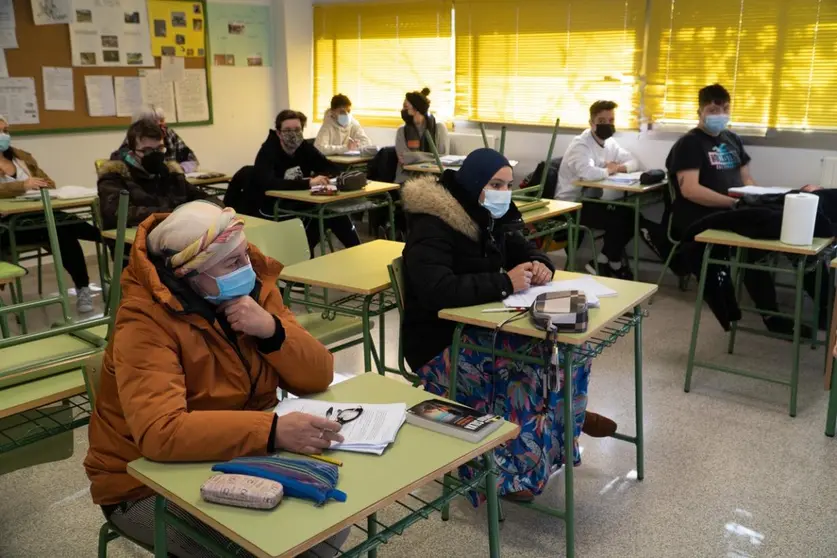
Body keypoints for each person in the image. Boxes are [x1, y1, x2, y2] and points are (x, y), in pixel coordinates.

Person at [83, 201, 349, 557]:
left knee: (330, 523)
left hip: (235, 452)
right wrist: (271, 430)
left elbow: (319, 375)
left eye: (245, 255)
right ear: (189, 275)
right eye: (233, 262)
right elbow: (160, 433)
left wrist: (272, 331)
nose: (249, 269)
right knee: (263, 550)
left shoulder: (254, 292)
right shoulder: (144, 320)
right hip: (141, 484)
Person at [401, 148, 616, 503]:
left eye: (508, 184)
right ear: (472, 185)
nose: (504, 191)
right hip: (440, 343)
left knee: (570, 352)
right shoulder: (433, 225)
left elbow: (524, 249)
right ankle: (512, 474)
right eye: (495, 184)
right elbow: (436, 290)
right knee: (525, 370)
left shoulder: (491, 214)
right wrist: (504, 282)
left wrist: (539, 263)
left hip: (484, 324)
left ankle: (563, 423)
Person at [666, 83, 816, 335]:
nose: (720, 114)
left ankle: (825, 307)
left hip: (734, 208)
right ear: (700, 111)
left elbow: (746, 179)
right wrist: (735, 204)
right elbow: (690, 190)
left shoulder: (731, 139)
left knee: (791, 221)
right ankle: (771, 315)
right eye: (713, 109)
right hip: (702, 216)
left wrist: (758, 196)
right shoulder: (690, 144)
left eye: (725, 108)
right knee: (754, 244)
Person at [0, 115, 100, 313]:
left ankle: (83, 289)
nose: (4, 135)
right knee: (61, 227)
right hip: (7, 226)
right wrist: (22, 185)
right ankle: (105, 238)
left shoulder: (21, 157)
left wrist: (40, 184)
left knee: (62, 231)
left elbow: (49, 182)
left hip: (38, 216)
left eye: (6, 131)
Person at [556, 100, 662, 279]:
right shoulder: (581, 145)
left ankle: (604, 260)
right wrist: (609, 169)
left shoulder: (609, 143)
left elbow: (632, 162)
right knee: (620, 221)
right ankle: (610, 263)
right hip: (571, 206)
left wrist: (618, 168)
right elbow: (587, 173)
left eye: (611, 120)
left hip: (591, 201)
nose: (607, 125)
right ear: (591, 123)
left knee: (631, 215)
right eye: (602, 121)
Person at [252, 110, 360, 253]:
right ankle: (301, 258)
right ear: (278, 133)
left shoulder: (304, 147)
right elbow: (268, 183)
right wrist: (308, 183)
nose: (293, 134)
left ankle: (357, 251)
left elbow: (329, 167)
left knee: (334, 213)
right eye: (287, 130)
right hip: (273, 207)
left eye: (297, 130)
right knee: (318, 217)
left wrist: (323, 178)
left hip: (301, 203)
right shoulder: (267, 152)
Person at [98, 119, 216, 230]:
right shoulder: (114, 177)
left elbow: (204, 197)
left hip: (173, 230)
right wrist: (176, 213)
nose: (155, 155)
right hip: (136, 240)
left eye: (160, 148)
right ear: (132, 153)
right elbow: (121, 214)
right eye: (147, 150)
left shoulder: (169, 173)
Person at [111, 106, 199, 173]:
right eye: (154, 121)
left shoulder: (169, 134)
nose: (160, 124)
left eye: (161, 120)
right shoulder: (133, 139)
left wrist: (178, 170)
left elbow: (191, 160)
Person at [394, 87, 449, 184]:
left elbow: (443, 158)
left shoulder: (439, 128)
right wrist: (431, 157)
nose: (402, 110)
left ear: (416, 109)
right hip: (407, 179)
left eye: (406, 107)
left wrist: (414, 155)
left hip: (433, 178)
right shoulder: (401, 130)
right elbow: (404, 159)